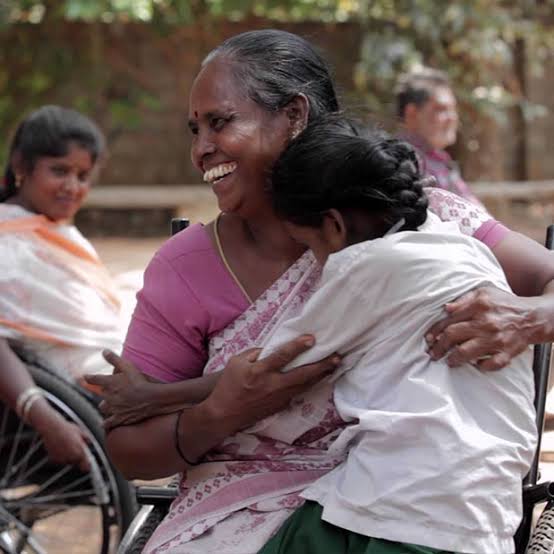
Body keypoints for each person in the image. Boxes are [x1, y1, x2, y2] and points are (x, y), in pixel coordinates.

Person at [89, 30, 554, 553]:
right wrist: (220, 413)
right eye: (195, 130)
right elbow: (130, 448)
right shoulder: (188, 267)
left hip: (407, 507)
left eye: (221, 122)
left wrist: (529, 317)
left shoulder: (424, 220)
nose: (200, 150)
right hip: (240, 517)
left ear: (294, 115)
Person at [253, 116, 535, 554]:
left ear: (334, 225)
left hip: (402, 508)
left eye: (309, 246)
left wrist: (173, 396)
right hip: (485, 515)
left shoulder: (363, 267)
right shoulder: (466, 249)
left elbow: (276, 366)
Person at [0, 105, 127, 469]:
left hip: (103, 367)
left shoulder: (46, 229)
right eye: (59, 171)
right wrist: (45, 418)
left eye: (83, 176)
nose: (72, 187)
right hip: (75, 390)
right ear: (22, 166)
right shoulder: (8, 244)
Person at [395, 67, 484, 207]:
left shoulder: (437, 160)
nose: (452, 118)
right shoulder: (403, 162)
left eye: (453, 109)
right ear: (412, 113)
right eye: (441, 109)